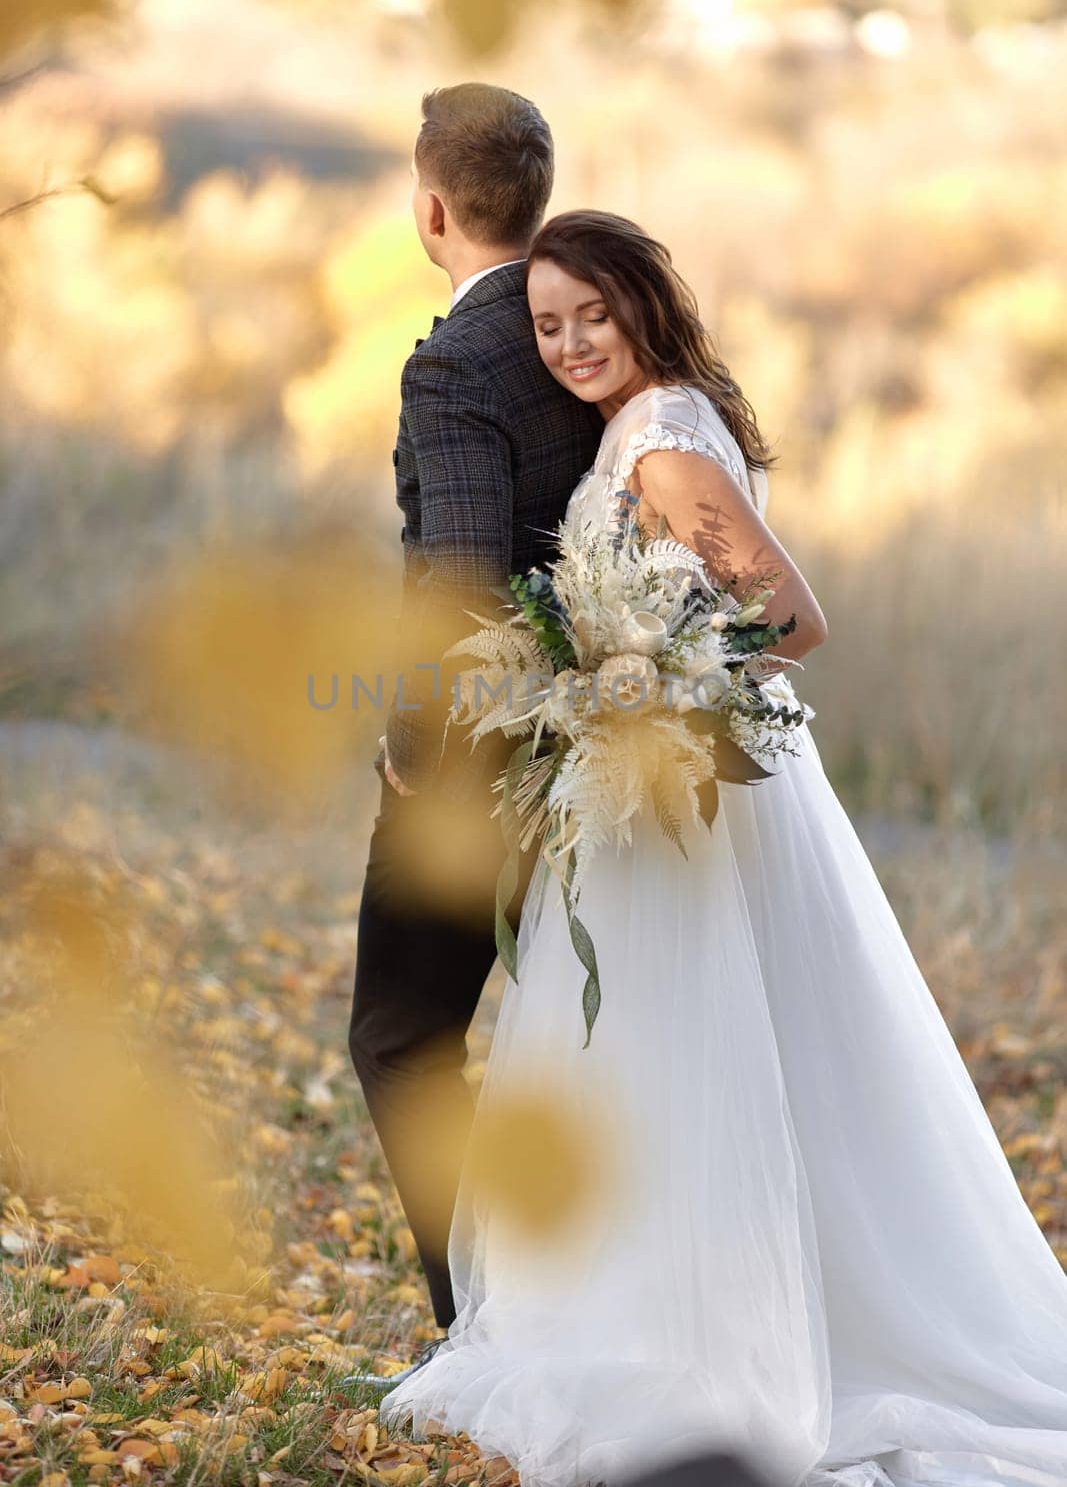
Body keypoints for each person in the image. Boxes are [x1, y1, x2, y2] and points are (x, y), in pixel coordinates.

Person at [381, 211, 1067, 1487]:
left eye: (594, 313)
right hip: (657, 783)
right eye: (548, 324)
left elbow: (790, 616)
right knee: (660, 1063)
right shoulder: (647, 422)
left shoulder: (660, 440)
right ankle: (649, 1307)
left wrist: (650, 690)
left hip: (696, 783)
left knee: (684, 1055)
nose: (573, 341)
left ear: (643, 304)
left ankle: (703, 1343)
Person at [347, 88, 603, 1385]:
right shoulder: (589, 331)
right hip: (600, 751)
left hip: (478, 765)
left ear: (430, 207)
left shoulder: (456, 362)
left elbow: (455, 586)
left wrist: (407, 744)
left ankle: (483, 1338)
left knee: (400, 1038)